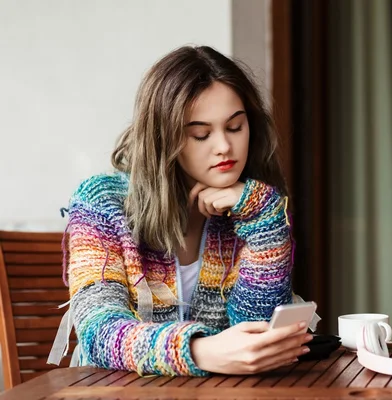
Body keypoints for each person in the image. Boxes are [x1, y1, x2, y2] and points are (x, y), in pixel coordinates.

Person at [48, 45, 312, 376]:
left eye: (235, 127)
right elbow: (99, 331)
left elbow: (256, 338)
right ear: (163, 138)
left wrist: (263, 225)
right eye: (200, 134)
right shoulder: (102, 203)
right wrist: (197, 350)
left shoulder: (251, 205)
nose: (224, 147)